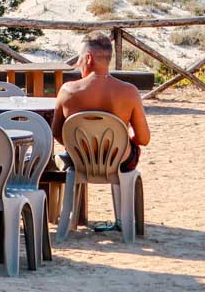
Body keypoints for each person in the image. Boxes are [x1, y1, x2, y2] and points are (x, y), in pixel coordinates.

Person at [52, 31, 151, 230]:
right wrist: (121, 139)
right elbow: (143, 138)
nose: (78, 63)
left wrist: (82, 146)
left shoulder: (68, 91)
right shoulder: (128, 92)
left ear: (88, 58)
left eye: (79, 58)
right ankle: (125, 220)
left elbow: (57, 132)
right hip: (118, 161)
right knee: (132, 149)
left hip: (80, 159)